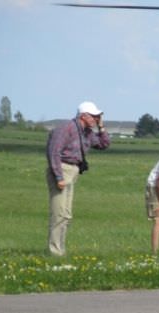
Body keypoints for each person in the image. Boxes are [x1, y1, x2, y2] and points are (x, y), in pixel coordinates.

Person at [46, 101, 110, 256]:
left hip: (73, 172)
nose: (96, 119)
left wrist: (101, 127)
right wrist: (59, 176)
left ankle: (60, 249)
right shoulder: (66, 128)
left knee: (66, 215)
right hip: (62, 169)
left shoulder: (87, 132)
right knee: (59, 214)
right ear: (84, 116)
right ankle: (55, 251)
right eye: (94, 116)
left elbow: (104, 144)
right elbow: (53, 151)